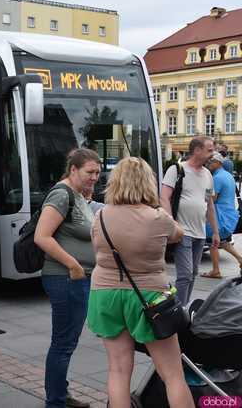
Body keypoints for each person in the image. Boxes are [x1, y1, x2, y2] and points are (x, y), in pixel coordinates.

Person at [87, 157, 194, 408]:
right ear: (148, 182)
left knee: (118, 371)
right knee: (172, 375)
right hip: (150, 298)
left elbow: (97, 250)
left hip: (105, 294)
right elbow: (178, 234)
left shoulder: (100, 216)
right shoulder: (158, 218)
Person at [34, 148, 101, 408]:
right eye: (89, 172)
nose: (94, 177)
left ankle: (60, 394)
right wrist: (73, 265)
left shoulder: (77, 194)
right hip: (66, 277)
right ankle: (56, 401)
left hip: (75, 277)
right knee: (63, 343)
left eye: (97, 172)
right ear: (73, 170)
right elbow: (42, 236)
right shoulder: (62, 195)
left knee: (66, 341)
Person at [161, 136, 219, 306]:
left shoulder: (208, 174)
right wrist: (172, 225)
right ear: (197, 150)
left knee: (192, 274)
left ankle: (183, 307)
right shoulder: (177, 170)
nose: (212, 153)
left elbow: (209, 204)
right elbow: (164, 198)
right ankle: (177, 312)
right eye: (209, 150)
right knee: (185, 275)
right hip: (182, 231)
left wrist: (215, 232)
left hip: (200, 233)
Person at [201, 152, 242, 278]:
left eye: (210, 162)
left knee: (213, 241)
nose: (208, 164)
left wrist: (202, 193)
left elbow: (212, 198)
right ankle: (241, 259)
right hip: (228, 214)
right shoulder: (228, 175)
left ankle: (216, 270)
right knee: (223, 242)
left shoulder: (216, 178)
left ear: (218, 163)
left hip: (219, 215)